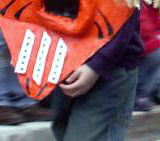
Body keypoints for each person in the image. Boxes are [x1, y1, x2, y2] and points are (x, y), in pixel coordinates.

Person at [51, 10, 143, 140]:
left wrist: (99, 64)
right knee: (62, 130)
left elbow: (126, 10)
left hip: (109, 67)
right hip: (64, 59)